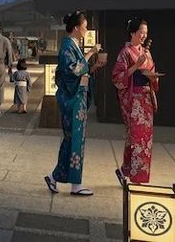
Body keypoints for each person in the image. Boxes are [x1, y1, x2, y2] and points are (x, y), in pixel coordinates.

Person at [44, 11, 106, 197]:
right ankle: (74, 184)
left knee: (71, 139)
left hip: (77, 96)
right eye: (85, 27)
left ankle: (55, 177)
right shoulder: (67, 47)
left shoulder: (71, 46)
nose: (86, 30)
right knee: (74, 140)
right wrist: (90, 54)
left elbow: (80, 71)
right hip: (73, 98)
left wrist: (94, 67)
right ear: (77, 28)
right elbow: (74, 70)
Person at [112, 18, 161, 185]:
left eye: (146, 34)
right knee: (137, 139)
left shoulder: (146, 52)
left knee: (143, 139)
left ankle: (124, 171)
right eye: (141, 33)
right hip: (133, 101)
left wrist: (153, 80)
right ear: (132, 32)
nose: (144, 36)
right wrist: (135, 66)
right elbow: (117, 78)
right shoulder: (125, 52)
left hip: (145, 98)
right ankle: (136, 179)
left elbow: (152, 71)